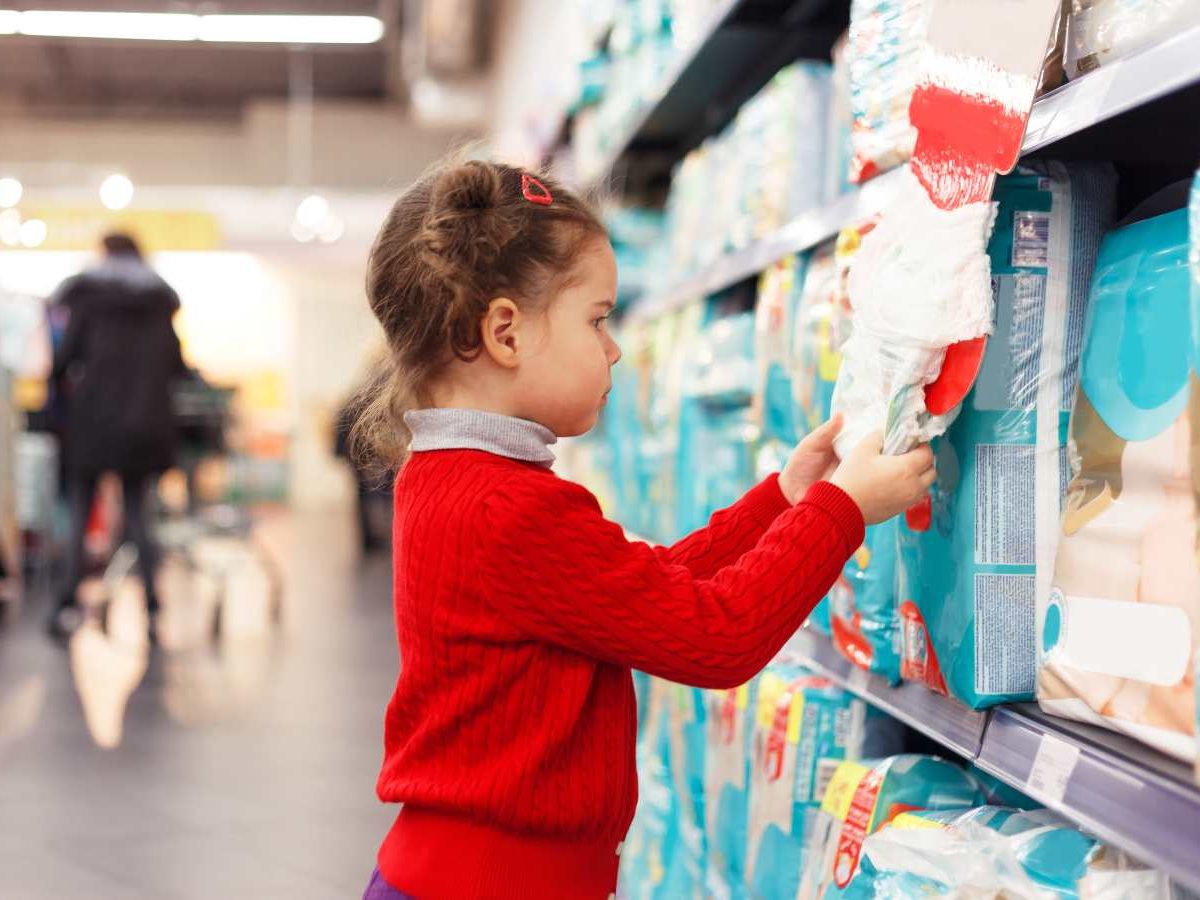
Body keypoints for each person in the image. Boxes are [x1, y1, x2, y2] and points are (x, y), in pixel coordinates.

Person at [353, 158, 935, 900]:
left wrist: (787, 500)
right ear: (505, 332)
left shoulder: (449, 477)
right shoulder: (507, 506)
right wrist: (841, 511)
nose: (615, 348)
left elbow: (640, 595)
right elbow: (716, 636)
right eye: (597, 320)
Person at [48, 233, 187, 639]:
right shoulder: (157, 304)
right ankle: (152, 607)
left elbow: (63, 362)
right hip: (144, 426)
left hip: (91, 424)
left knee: (78, 514)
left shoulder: (87, 298)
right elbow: (176, 364)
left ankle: (67, 604)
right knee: (140, 517)